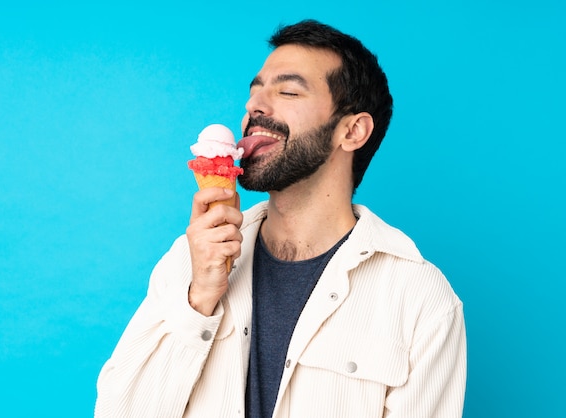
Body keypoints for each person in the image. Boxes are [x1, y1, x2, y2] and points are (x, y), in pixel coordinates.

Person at [95, 19, 466, 418]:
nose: (254, 107)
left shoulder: (421, 299)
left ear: (353, 131)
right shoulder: (190, 261)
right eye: (253, 94)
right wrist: (198, 299)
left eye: (287, 90)